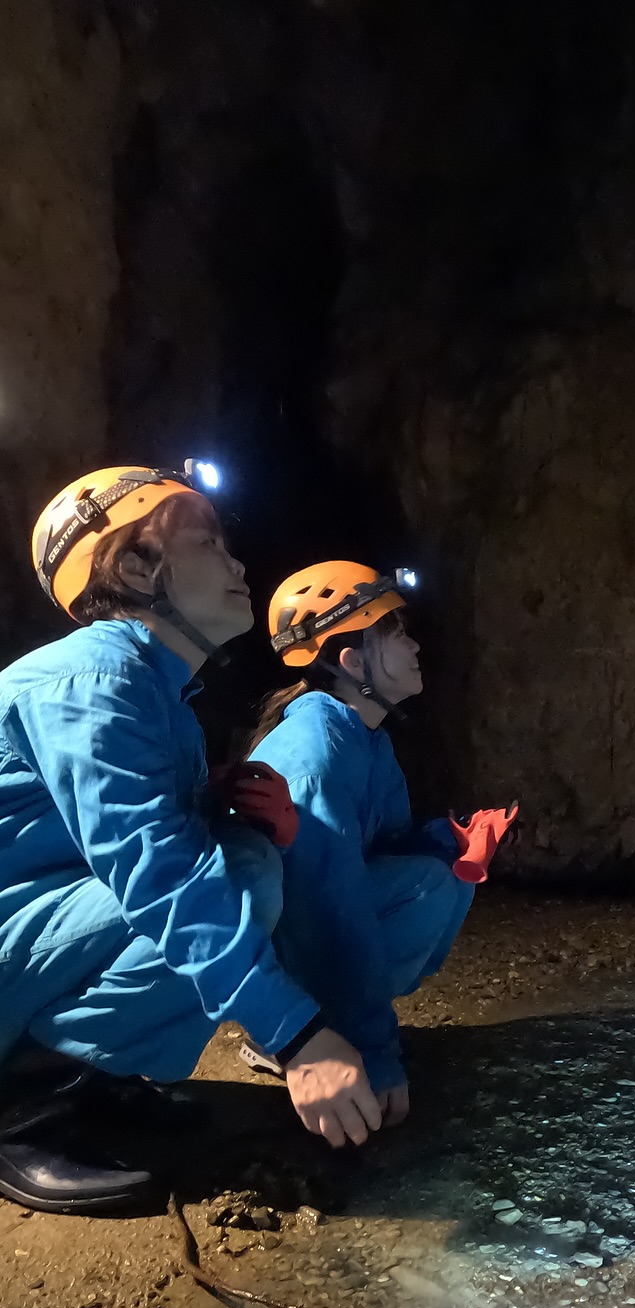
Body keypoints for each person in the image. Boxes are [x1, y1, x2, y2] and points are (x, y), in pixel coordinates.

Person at [0, 467, 386, 1213]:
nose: (238, 562)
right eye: (206, 540)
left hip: (22, 932)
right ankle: (23, 1104)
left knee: (236, 857)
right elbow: (159, 873)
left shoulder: (154, 691)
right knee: (233, 878)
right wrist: (299, 1035)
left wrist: (216, 799)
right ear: (140, 567)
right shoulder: (92, 680)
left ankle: (91, 1078)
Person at [243, 561, 515, 1122]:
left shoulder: (365, 738)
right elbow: (328, 914)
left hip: (302, 928)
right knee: (425, 888)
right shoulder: (316, 755)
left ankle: (333, 1022)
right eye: (395, 634)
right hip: (277, 947)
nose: (416, 645)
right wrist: (377, 1054)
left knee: (440, 875)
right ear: (351, 661)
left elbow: (380, 849)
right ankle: (300, 1037)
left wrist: (452, 840)